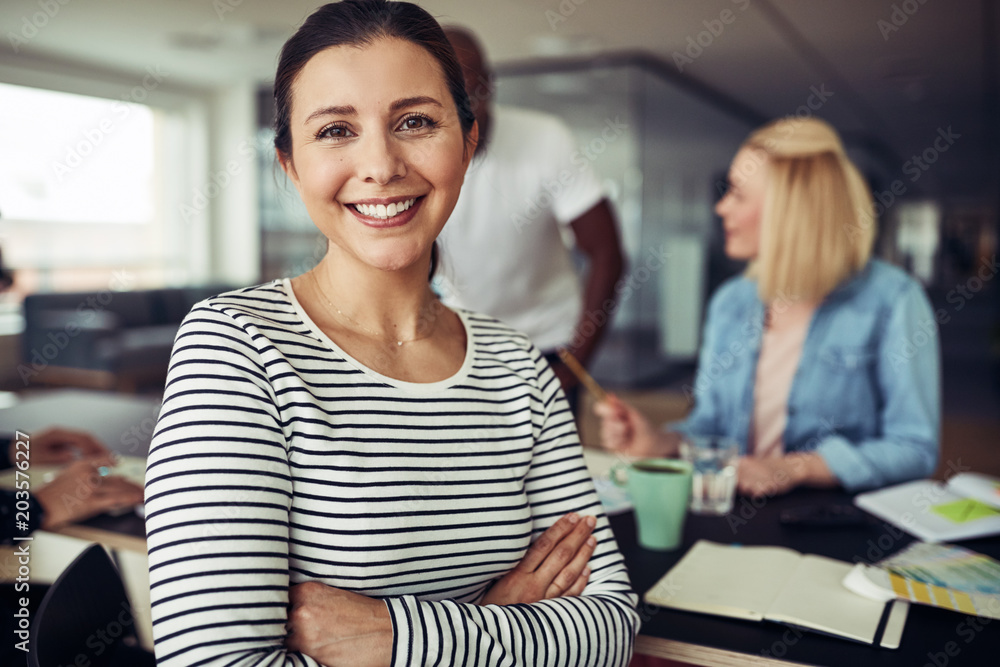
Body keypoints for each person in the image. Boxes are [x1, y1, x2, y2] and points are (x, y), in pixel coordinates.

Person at [144, 2, 638, 666]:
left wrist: (391, 636)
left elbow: (607, 626)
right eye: (336, 129)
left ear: (467, 141)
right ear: (290, 164)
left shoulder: (519, 366)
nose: (380, 165)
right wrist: (493, 623)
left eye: (415, 122)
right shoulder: (234, 348)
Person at [595, 117, 940, 497]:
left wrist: (795, 469)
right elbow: (710, 429)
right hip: (734, 517)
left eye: (738, 195)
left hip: (831, 522)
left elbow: (914, 448)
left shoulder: (893, 299)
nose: (721, 207)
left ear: (789, 212)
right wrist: (659, 442)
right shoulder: (730, 301)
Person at [436, 27, 625, 404]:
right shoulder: (416, 152)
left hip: (547, 342)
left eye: (469, 91)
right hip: (458, 345)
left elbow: (607, 254)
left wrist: (576, 365)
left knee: (551, 463)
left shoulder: (545, 138)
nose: (459, 107)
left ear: (490, 85)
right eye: (443, 94)